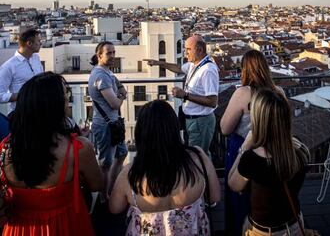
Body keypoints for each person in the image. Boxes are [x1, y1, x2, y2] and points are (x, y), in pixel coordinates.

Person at [0, 72, 103, 235]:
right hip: (65, 225)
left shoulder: (5, 148)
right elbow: (97, 184)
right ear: (55, 106)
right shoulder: (78, 148)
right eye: (65, 96)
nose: (68, 102)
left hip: (19, 228)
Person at [109, 100, 220, 235]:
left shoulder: (130, 173)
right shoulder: (198, 158)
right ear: (174, 128)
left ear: (141, 134)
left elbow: (115, 208)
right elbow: (214, 197)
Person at [228, 88, 310, 236]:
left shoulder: (252, 159)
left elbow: (233, 184)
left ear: (258, 119)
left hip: (263, 231)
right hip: (295, 225)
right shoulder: (299, 149)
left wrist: (244, 147)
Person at [220, 49, 284, 235]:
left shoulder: (244, 93)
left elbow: (225, 129)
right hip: (273, 153)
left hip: (244, 150)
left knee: (240, 198)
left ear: (245, 69)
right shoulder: (278, 92)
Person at [144, 35, 219, 156]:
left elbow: (212, 101)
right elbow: (179, 68)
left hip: (200, 121)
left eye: (188, 49)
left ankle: (204, 175)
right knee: (198, 155)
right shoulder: (195, 64)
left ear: (199, 50)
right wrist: (159, 63)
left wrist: (185, 95)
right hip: (193, 120)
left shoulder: (208, 70)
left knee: (197, 157)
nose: (185, 53)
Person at [88, 41, 128, 203]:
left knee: (122, 154)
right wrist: (122, 95)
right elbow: (115, 103)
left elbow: (119, 85)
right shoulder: (100, 76)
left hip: (113, 123)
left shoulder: (107, 73)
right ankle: (104, 197)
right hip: (105, 125)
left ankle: (113, 188)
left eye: (113, 52)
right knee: (106, 163)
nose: (112, 56)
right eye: (109, 53)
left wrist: (121, 89)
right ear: (99, 56)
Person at [0, 29, 43, 113]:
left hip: (39, 112)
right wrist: (24, 95)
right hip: (21, 115)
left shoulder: (36, 58)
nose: (41, 43)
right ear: (29, 43)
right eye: (38, 41)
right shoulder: (9, 66)